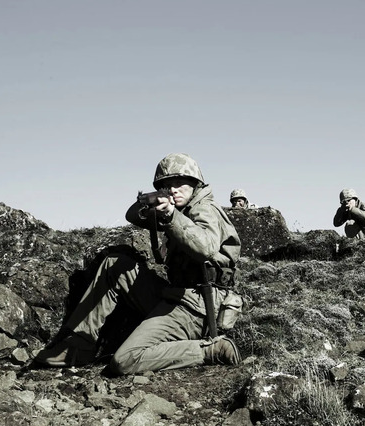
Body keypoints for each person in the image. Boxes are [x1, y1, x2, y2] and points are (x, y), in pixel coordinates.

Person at [35, 153, 242, 374]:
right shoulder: (182, 210)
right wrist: (149, 201)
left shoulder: (205, 209)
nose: (173, 189)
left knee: (125, 360)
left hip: (199, 307)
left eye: (179, 182)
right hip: (177, 295)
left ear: (195, 183)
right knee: (115, 265)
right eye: (166, 185)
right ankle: (78, 344)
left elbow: (206, 248)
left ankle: (211, 350)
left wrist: (171, 214)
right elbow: (132, 215)